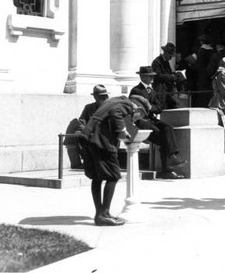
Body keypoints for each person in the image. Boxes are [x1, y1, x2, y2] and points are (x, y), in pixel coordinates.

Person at [78, 95, 150, 226]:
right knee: (113, 176)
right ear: (139, 108)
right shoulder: (128, 105)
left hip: (89, 138)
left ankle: (100, 214)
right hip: (101, 142)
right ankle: (104, 213)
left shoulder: (115, 100)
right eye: (139, 116)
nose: (135, 118)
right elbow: (115, 113)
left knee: (97, 177)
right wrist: (122, 130)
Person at [129, 66, 188, 179]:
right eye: (149, 76)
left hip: (152, 119)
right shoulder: (136, 90)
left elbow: (160, 107)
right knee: (163, 137)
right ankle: (167, 169)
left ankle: (172, 157)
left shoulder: (152, 91)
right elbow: (135, 108)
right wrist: (150, 108)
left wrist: (150, 107)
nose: (152, 78)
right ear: (142, 77)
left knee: (168, 128)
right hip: (141, 121)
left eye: (152, 76)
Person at [63, 85, 111, 169]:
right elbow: (82, 121)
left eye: (104, 97)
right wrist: (83, 130)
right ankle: (76, 163)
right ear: (95, 97)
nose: (102, 99)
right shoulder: (89, 107)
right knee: (73, 125)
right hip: (89, 134)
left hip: (104, 137)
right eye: (99, 97)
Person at [152, 42, 184, 110]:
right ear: (166, 53)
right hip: (161, 90)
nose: (171, 58)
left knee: (174, 106)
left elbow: (168, 73)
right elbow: (158, 76)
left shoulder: (166, 62)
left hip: (168, 90)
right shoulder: (157, 62)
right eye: (170, 56)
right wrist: (172, 77)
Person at [194, 34, 215, 107]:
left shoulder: (201, 50)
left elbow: (198, 63)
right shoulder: (212, 51)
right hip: (210, 74)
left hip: (202, 74)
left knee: (202, 94)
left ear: (202, 42)